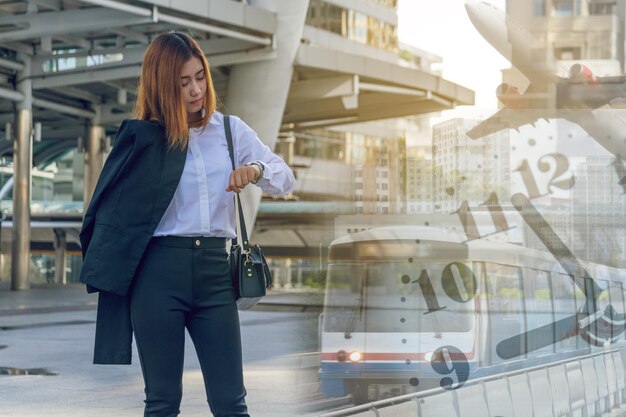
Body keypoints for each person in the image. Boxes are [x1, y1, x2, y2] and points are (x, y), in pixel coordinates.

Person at [79, 31, 295, 417]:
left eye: (200, 77)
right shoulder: (144, 140)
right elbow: (112, 212)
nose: (196, 90)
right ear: (163, 85)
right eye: (183, 82)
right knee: (162, 403)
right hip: (157, 276)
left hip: (216, 276)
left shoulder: (230, 130)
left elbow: (285, 176)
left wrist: (255, 169)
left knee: (231, 403)